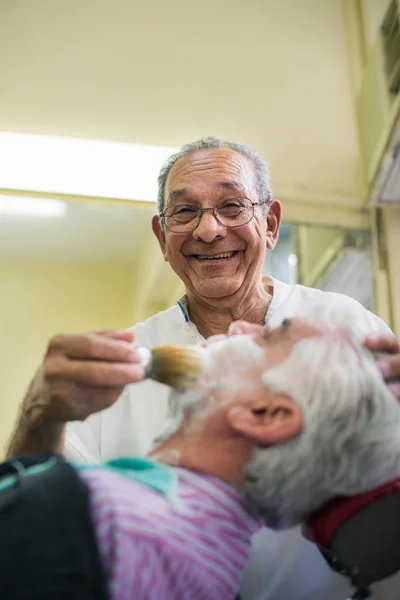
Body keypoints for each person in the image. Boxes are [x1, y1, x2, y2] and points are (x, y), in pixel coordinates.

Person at [7, 137, 400, 600]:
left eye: (232, 205)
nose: (209, 230)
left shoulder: (345, 325)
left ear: (270, 223)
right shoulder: (122, 362)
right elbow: (42, 494)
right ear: (161, 236)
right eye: (184, 211)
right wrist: (43, 410)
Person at [2, 318, 400, 600]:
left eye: (268, 337)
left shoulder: (82, 520)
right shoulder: (216, 576)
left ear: (263, 415)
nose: (239, 327)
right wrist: (46, 416)